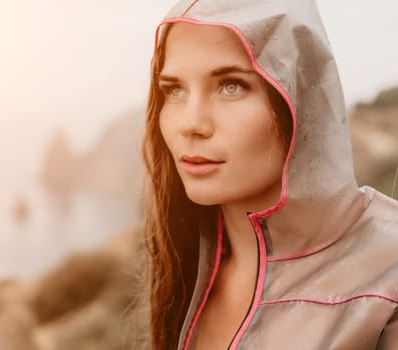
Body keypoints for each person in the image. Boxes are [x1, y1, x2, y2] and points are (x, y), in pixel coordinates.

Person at [141, 1, 398, 349]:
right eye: (174, 89)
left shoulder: (388, 276)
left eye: (231, 85)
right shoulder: (185, 269)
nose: (191, 124)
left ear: (297, 94)